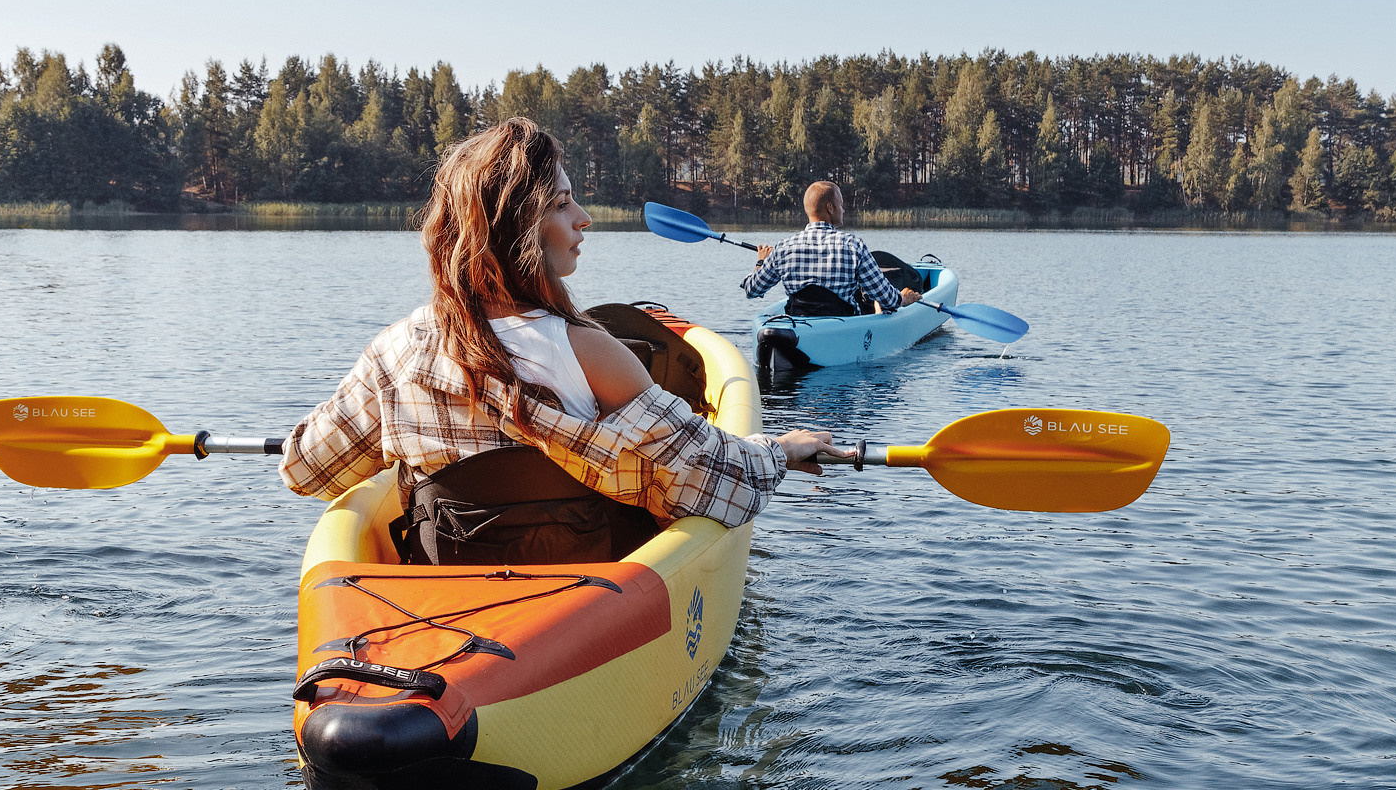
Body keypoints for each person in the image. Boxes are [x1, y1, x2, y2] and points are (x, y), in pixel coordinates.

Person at [280, 118, 844, 562]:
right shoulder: (592, 354)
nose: (584, 218)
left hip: (447, 600)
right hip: (590, 598)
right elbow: (712, 476)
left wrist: (401, 436)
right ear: (514, 229)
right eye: (560, 204)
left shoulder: (396, 352)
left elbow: (305, 470)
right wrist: (781, 452)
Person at [742, 180, 922, 316]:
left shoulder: (783, 247)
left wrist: (761, 261)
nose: (843, 210)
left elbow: (752, 290)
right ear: (830, 207)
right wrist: (903, 299)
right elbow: (887, 300)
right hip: (841, 328)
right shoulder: (854, 246)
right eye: (841, 205)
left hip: (800, 326)